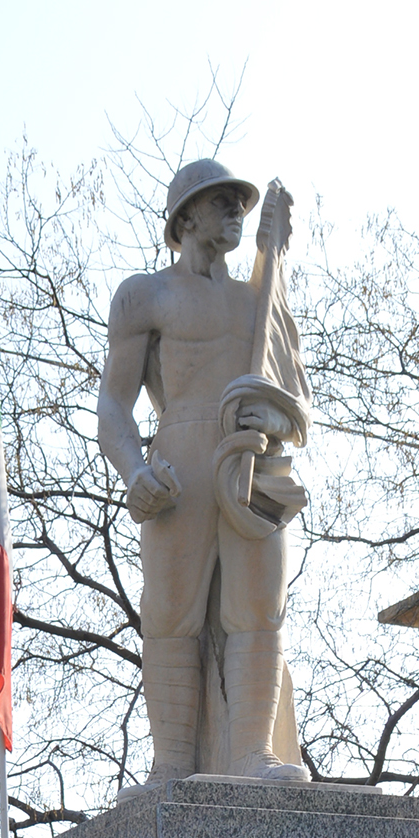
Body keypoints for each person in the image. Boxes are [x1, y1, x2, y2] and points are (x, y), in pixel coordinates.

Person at [97, 158, 309, 785]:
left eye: (240, 204)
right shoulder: (147, 295)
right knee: (171, 614)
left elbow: (289, 395)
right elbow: (113, 405)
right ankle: (172, 765)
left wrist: (270, 422)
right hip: (180, 460)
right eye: (221, 202)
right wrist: (134, 469)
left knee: (258, 607)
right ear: (186, 216)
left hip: (250, 459)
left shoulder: (257, 303)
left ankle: (252, 753)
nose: (234, 213)